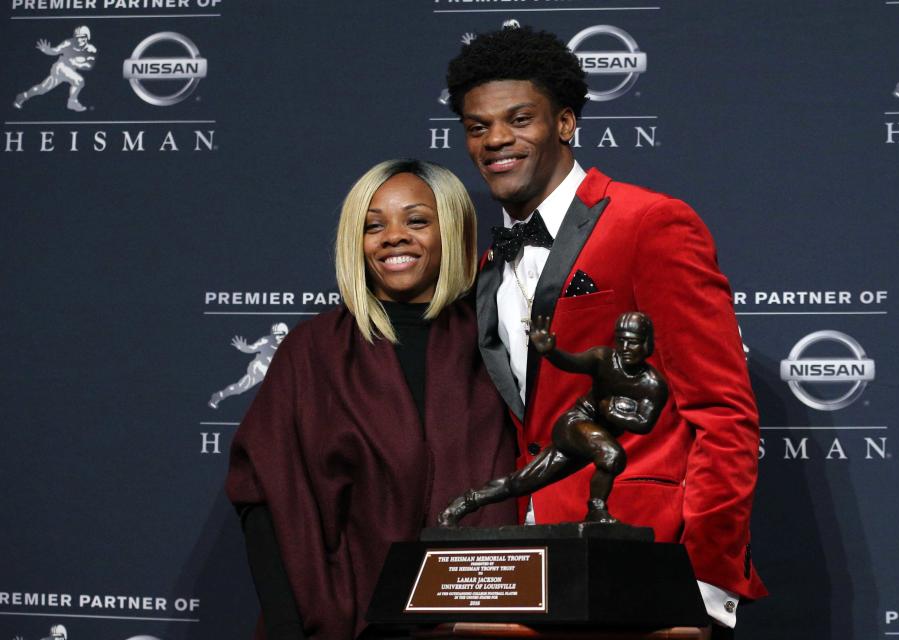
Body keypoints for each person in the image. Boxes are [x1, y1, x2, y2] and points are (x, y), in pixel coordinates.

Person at [445, 25, 767, 634]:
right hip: (533, 574)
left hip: (646, 567)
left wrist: (702, 585)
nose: (496, 140)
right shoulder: (490, 265)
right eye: (477, 126)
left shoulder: (651, 222)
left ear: (565, 123)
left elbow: (724, 413)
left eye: (519, 119)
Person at [225, 159, 517, 640]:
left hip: (481, 615)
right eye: (373, 225)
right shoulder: (313, 350)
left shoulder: (498, 343)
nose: (393, 237)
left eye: (417, 221)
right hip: (345, 623)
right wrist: (285, 626)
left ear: (453, 231)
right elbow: (263, 498)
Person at [439, 312, 667, 525]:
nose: (626, 348)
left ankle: (461, 505)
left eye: (633, 342)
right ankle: (596, 509)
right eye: (621, 340)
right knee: (611, 454)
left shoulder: (652, 385)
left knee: (521, 482)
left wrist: (613, 412)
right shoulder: (604, 358)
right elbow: (573, 362)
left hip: (591, 441)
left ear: (646, 343)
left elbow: (644, 424)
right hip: (575, 424)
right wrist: (550, 352)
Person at [14, 26, 96, 112]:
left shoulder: (91, 50)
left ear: (88, 37)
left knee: (42, 89)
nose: (79, 40)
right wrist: (48, 50)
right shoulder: (68, 43)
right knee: (79, 81)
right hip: (60, 67)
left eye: (82, 37)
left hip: (70, 71)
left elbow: (89, 66)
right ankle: (72, 102)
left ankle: (23, 96)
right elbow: (56, 50)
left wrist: (77, 63)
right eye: (77, 38)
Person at [208, 323, 289, 409]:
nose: (276, 337)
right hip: (260, 369)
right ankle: (218, 396)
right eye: (275, 335)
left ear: (285, 333)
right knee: (239, 388)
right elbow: (252, 348)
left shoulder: (290, 343)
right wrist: (243, 347)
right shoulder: (266, 341)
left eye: (280, 334)